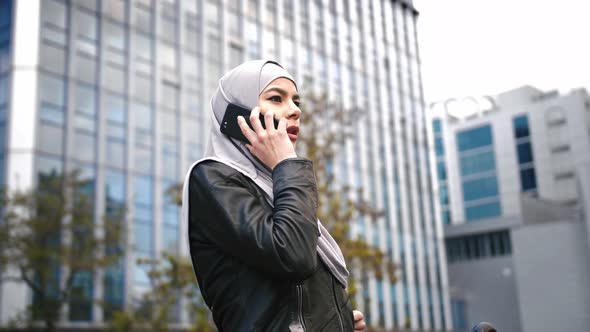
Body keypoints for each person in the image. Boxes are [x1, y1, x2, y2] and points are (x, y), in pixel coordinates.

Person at [181, 60, 367, 331]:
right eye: (276, 98)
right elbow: (293, 255)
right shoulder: (212, 178)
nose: (294, 111)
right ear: (237, 115)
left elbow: (295, 302)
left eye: (297, 102)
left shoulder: (277, 186)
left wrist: (338, 321)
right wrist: (286, 163)